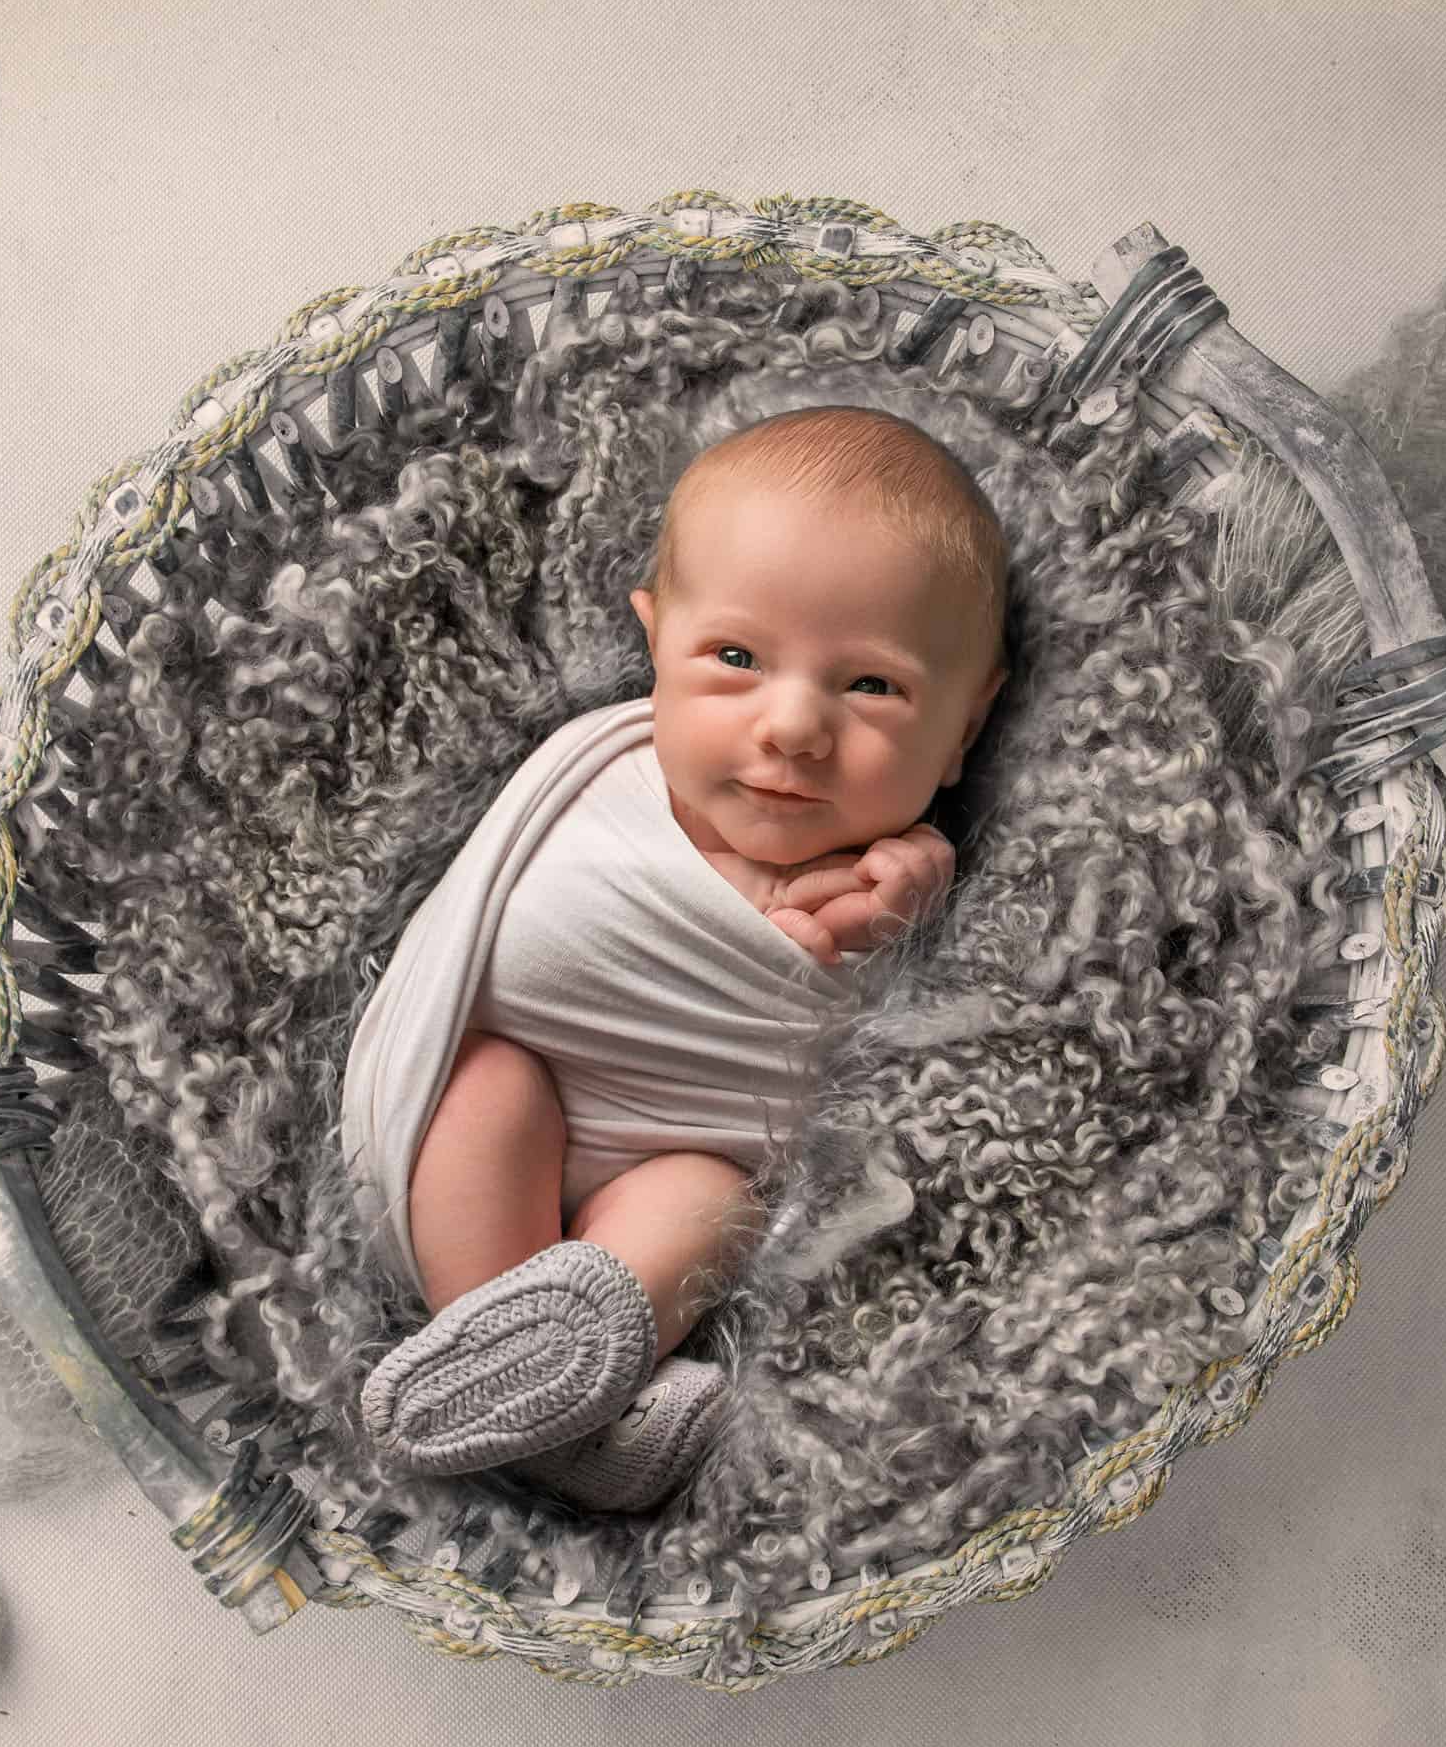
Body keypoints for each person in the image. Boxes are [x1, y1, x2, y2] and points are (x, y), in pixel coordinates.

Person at [355, 404, 1010, 1510]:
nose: (793, 724)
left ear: (963, 726)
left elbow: (901, 1036)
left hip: (682, 1153)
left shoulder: (894, 867)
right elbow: (464, 934)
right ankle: (505, 1366)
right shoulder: (596, 768)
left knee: (712, 1206)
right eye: (736, 658)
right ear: (654, 641)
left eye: (872, 687)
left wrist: (900, 911)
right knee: (485, 1087)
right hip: (510, 1107)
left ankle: (564, 1399)